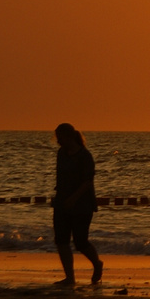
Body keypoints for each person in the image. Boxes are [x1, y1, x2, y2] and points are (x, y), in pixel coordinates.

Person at [52, 123, 103, 287]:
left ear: (69, 137)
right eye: (57, 138)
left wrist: (73, 199)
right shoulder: (61, 153)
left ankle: (97, 263)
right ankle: (70, 278)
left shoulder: (85, 156)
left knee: (80, 242)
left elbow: (87, 182)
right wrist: (59, 198)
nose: (58, 141)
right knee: (61, 240)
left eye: (60, 138)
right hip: (62, 203)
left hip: (82, 204)